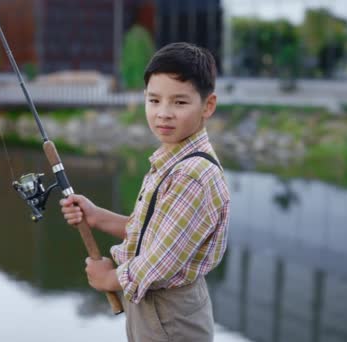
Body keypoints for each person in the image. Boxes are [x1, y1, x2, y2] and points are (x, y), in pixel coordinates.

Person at [60, 42, 230, 342]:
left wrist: (109, 279)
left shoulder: (192, 176)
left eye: (179, 103)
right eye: (154, 101)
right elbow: (151, 233)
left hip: (170, 311)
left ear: (208, 106)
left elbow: (161, 259)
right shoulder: (172, 160)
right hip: (153, 301)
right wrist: (96, 216)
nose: (163, 113)